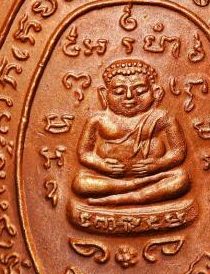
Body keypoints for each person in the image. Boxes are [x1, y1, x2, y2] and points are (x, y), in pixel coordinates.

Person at [71, 59, 191, 206]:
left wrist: (157, 165)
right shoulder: (98, 120)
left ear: (156, 93)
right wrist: (101, 165)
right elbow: (84, 153)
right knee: (80, 182)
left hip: (154, 176)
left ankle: (126, 198)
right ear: (103, 94)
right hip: (110, 179)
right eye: (119, 92)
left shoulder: (162, 118)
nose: (129, 96)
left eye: (139, 91)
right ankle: (132, 187)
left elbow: (178, 152)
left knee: (181, 179)